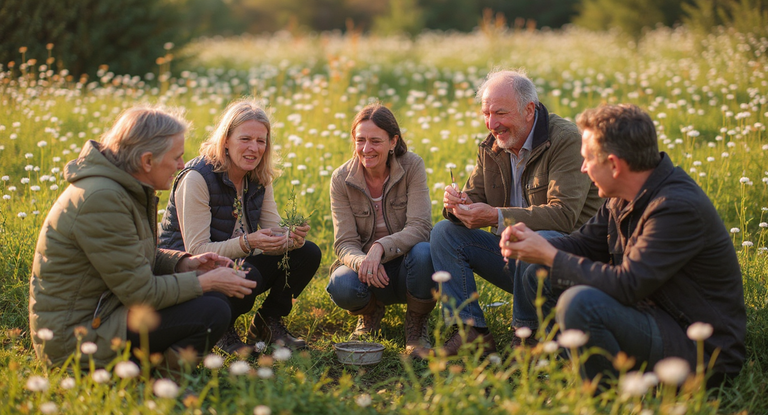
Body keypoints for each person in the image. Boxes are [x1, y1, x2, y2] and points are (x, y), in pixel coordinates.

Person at [500, 104, 746, 387]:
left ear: (615, 165)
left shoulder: (676, 207)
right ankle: (576, 368)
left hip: (698, 347)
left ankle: (606, 395)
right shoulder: (623, 195)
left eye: (588, 159)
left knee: (580, 303)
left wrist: (551, 256)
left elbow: (629, 284)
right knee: (537, 268)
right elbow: (582, 243)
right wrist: (534, 242)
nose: (583, 168)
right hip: (651, 318)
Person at [29, 106, 257, 369]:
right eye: (177, 157)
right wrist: (206, 281)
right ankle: (156, 381)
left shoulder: (120, 187)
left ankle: (154, 370)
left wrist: (184, 263)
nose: (182, 165)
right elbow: (141, 294)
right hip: (77, 339)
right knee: (211, 309)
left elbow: (130, 255)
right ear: (147, 161)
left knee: (213, 302)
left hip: (103, 314)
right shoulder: (102, 199)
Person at [431, 69, 602, 356]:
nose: (491, 123)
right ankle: (471, 331)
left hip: (565, 262)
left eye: (499, 113)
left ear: (529, 110)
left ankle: (527, 337)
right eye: (486, 113)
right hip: (516, 258)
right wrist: (457, 204)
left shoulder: (566, 140)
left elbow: (564, 216)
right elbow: (475, 195)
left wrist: (495, 217)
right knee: (444, 233)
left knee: (530, 235)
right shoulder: (493, 145)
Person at [159, 99, 321, 353]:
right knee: (246, 273)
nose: (254, 148)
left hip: (236, 258)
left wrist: (290, 239)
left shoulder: (258, 176)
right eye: (245, 139)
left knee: (306, 253)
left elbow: (271, 230)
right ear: (225, 140)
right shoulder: (197, 178)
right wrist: (249, 242)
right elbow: (197, 250)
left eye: (261, 141)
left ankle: (268, 322)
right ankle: (222, 329)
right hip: (185, 270)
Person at [326, 103, 435, 357]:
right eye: (360, 140)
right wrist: (363, 261)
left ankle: (417, 324)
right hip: (368, 270)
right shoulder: (341, 178)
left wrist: (379, 247)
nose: (366, 149)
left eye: (375, 141)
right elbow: (344, 243)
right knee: (341, 283)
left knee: (425, 252)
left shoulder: (412, 167)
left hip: (406, 265)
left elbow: (420, 227)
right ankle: (369, 314)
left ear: (393, 141)